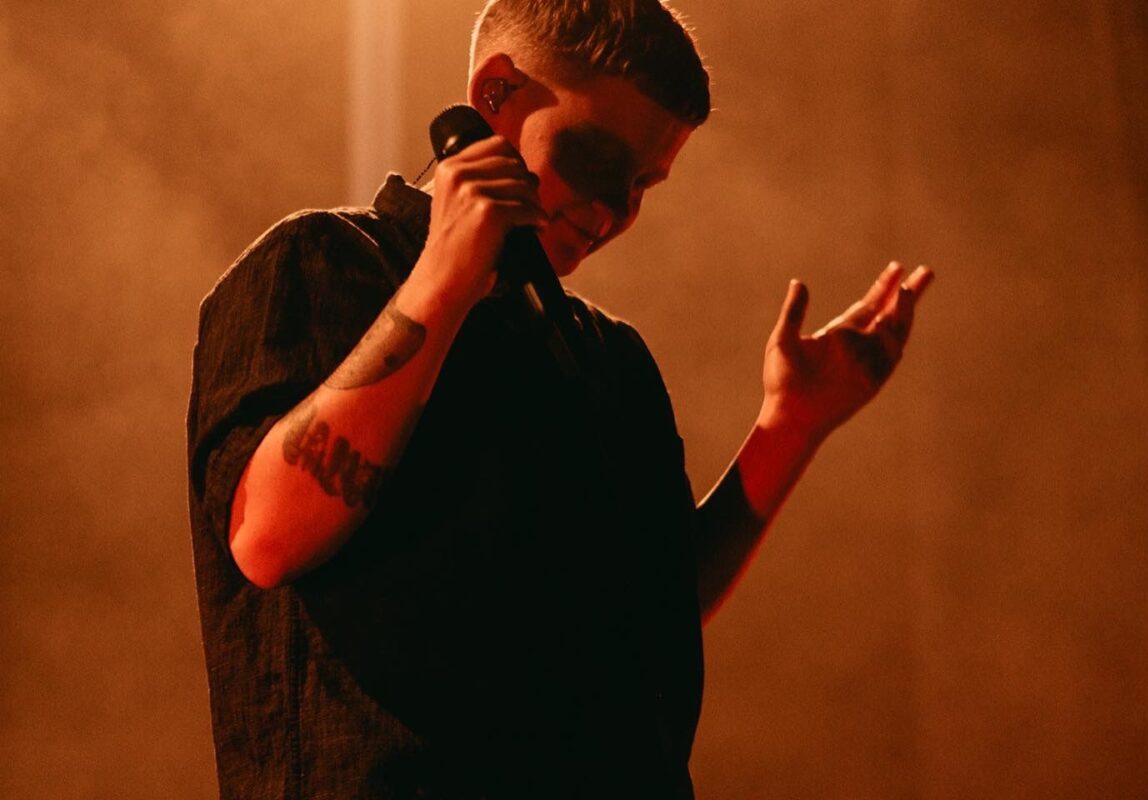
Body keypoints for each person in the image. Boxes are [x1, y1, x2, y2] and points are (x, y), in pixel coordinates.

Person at [186, 1, 933, 798]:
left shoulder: (607, 357)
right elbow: (266, 537)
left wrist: (790, 428)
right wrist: (445, 279)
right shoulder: (324, 261)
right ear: (494, 94)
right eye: (595, 157)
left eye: (642, 184)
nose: (614, 210)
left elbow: (651, 612)